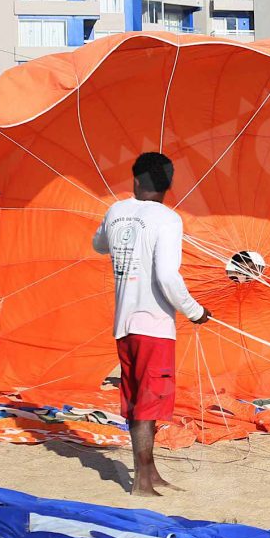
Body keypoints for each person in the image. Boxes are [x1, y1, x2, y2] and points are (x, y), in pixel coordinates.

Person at [93, 152, 211, 496]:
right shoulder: (168, 219)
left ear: (135, 180)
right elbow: (167, 277)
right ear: (169, 185)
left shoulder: (115, 211)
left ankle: (150, 471)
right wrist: (195, 311)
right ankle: (141, 481)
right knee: (148, 403)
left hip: (124, 325)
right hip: (154, 326)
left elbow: (98, 243)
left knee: (136, 400)